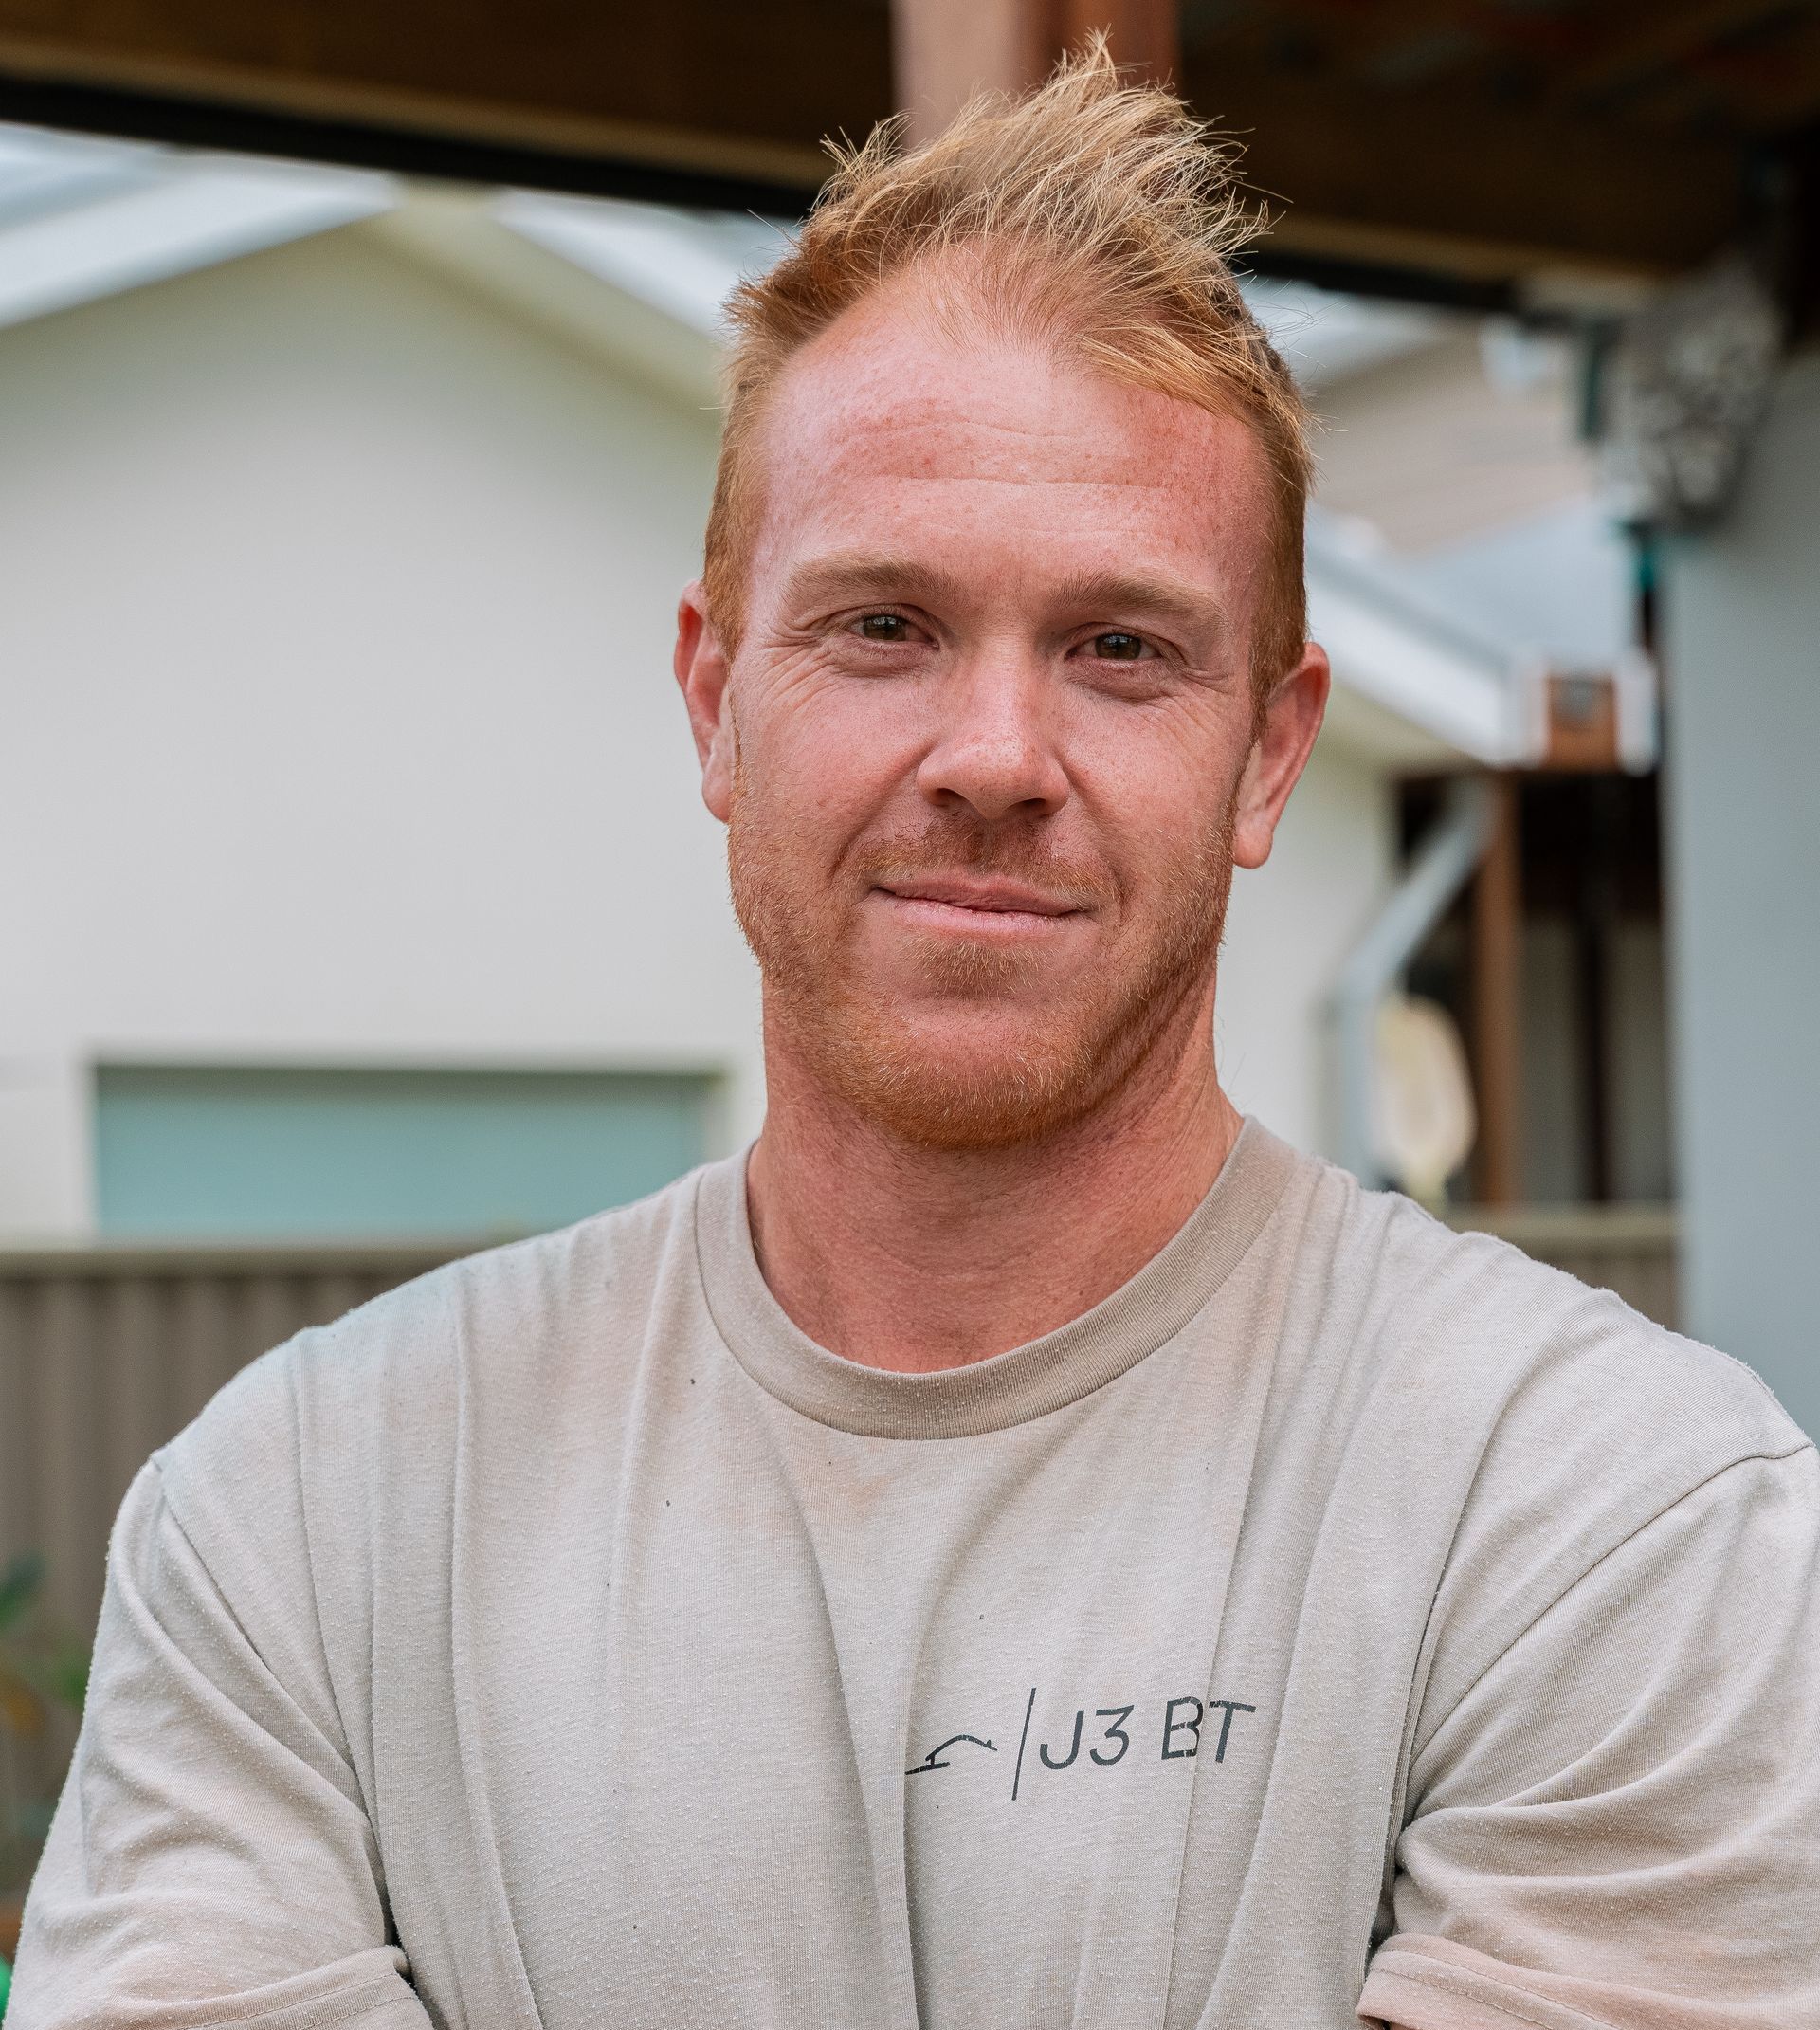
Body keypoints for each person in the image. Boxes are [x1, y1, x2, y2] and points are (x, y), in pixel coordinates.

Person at [12, 50, 1820, 2030]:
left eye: (1121, 649)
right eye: (881, 625)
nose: (992, 760)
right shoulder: (305, 1526)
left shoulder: (1599, 1516)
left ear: (1271, 752)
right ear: (715, 698)